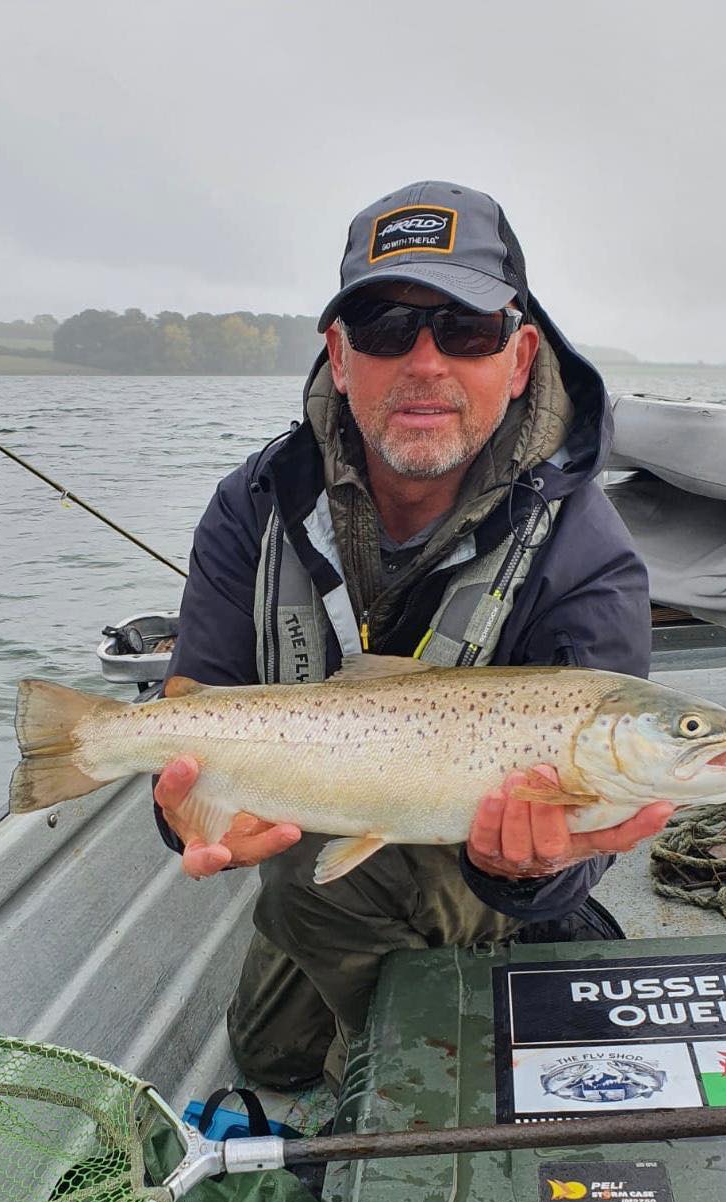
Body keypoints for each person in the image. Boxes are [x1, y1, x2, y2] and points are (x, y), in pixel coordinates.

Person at [153, 181, 672, 1092]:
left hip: (475, 870)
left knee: (330, 893)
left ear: (517, 359)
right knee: (269, 1053)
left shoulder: (587, 554)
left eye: (464, 330)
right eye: (388, 327)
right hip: (329, 837)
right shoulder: (253, 503)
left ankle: (421, 1058)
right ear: (339, 356)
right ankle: (409, 1003)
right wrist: (183, 813)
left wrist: (529, 878)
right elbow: (195, 705)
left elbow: (567, 855)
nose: (424, 361)